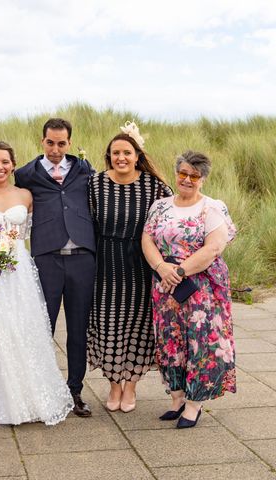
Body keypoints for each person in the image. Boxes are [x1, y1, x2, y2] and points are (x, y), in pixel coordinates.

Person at [0, 142, 73, 425]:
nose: (0, 167)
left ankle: (28, 397)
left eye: (5, 162)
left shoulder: (26, 195)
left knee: (22, 327)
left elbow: (35, 230)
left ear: (13, 164)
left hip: (19, 270)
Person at [142, 150, 237, 428]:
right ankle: (177, 398)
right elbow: (147, 239)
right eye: (183, 173)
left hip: (201, 288)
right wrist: (162, 269)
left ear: (203, 179)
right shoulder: (160, 206)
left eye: (194, 176)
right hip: (166, 286)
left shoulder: (212, 208)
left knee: (200, 342)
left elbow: (214, 247)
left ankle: (194, 405)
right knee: (170, 342)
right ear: (176, 173)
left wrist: (180, 271)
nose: (187, 179)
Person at [87, 122, 173, 413]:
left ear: (137, 155)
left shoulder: (155, 186)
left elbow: (171, 219)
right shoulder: (95, 183)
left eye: (126, 152)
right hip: (106, 263)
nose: (120, 158)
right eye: (115, 153)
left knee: (138, 326)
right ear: (108, 156)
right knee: (109, 324)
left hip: (141, 262)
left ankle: (132, 387)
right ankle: (113, 386)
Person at [14, 118, 96, 417]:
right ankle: (41, 391)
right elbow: (8, 198)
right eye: (51, 142)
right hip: (47, 258)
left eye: (62, 143)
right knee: (42, 327)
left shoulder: (86, 170)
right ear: (42, 141)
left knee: (78, 330)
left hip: (83, 260)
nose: (56, 149)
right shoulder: (25, 174)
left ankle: (75, 391)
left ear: (69, 143)